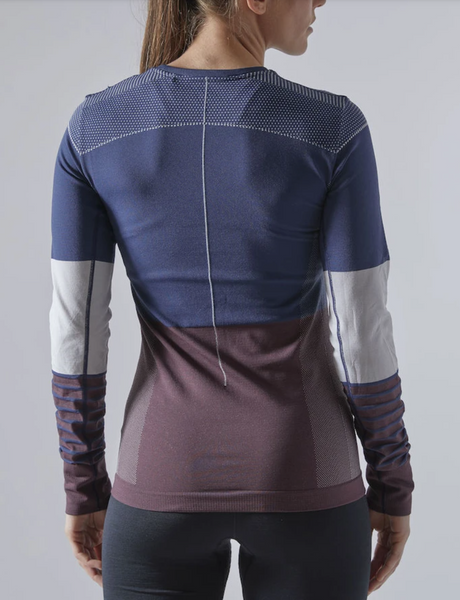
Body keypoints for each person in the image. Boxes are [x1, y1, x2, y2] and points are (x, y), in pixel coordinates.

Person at [49, 0, 415, 598]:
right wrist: (392, 480)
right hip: (307, 474)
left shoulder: (96, 129)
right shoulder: (331, 128)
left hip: (160, 474)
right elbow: (362, 330)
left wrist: (82, 484)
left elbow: (76, 331)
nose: (322, 1)